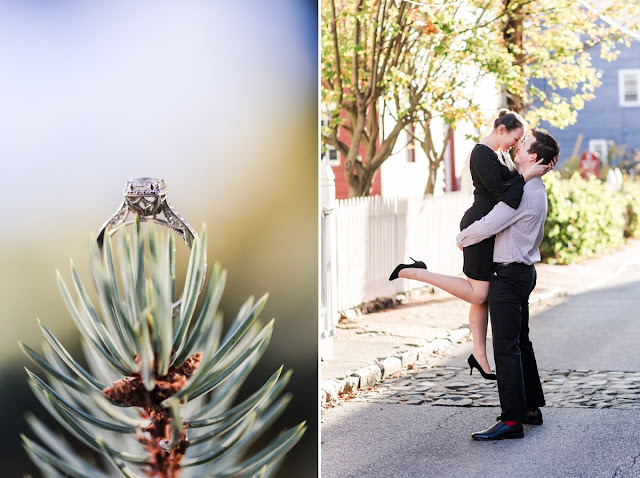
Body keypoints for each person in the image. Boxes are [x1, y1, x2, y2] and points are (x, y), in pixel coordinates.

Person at [389, 109, 551, 380]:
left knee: (482, 294)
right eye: (515, 138)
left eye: (520, 141)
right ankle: (415, 272)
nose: (516, 144)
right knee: (478, 294)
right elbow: (503, 191)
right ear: (501, 130)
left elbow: (512, 187)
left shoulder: (500, 154)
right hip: (480, 226)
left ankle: (479, 355)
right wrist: (527, 176)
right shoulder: (482, 153)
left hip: (492, 228)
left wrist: (535, 171)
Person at [456, 129, 559, 440]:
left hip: (509, 276)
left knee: (506, 348)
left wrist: (462, 238)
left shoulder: (525, 194)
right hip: (522, 274)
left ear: (533, 157)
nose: (519, 145)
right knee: (520, 343)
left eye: (524, 144)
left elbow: (489, 224)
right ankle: (529, 408)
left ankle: (512, 420)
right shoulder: (535, 189)